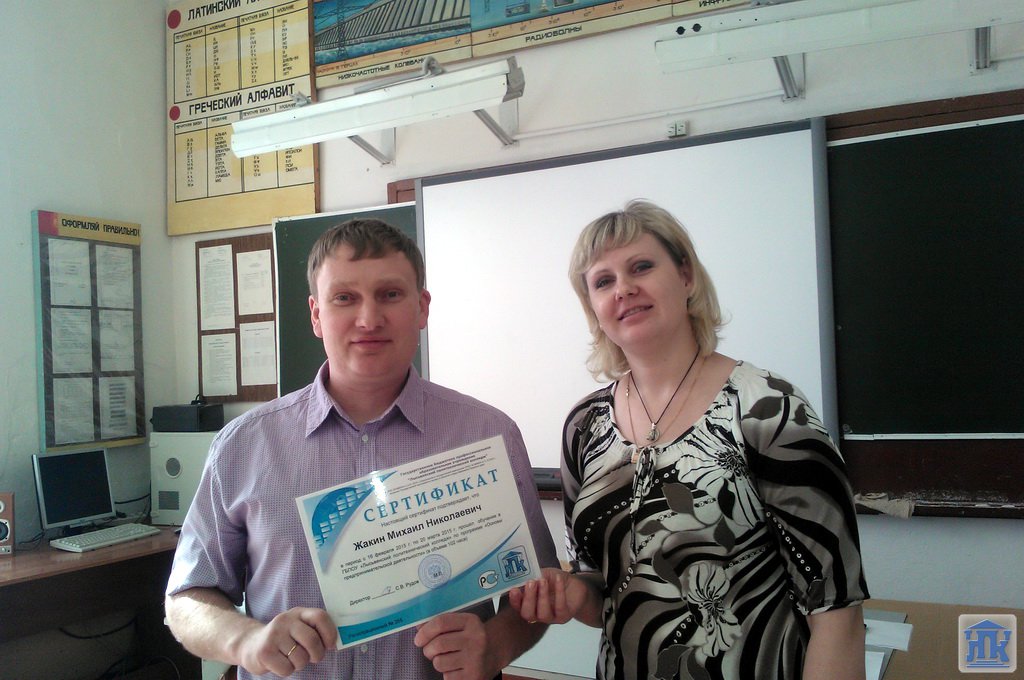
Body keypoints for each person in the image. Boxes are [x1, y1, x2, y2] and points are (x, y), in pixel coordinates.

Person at [165, 218, 558, 680]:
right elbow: (186, 599)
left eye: (390, 294)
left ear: (422, 308)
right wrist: (246, 641)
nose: (369, 319)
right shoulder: (244, 445)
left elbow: (537, 591)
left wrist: (495, 646)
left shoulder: (487, 433)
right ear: (316, 315)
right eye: (344, 298)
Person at [509, 200, 869, 680]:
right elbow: (607, 590)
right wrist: (576, 594)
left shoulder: (768, 409)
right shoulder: (584, 426)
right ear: (593, 307)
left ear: (686, 276)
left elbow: (836, 611)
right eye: (603, 281)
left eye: (641, 267)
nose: (624, 289)